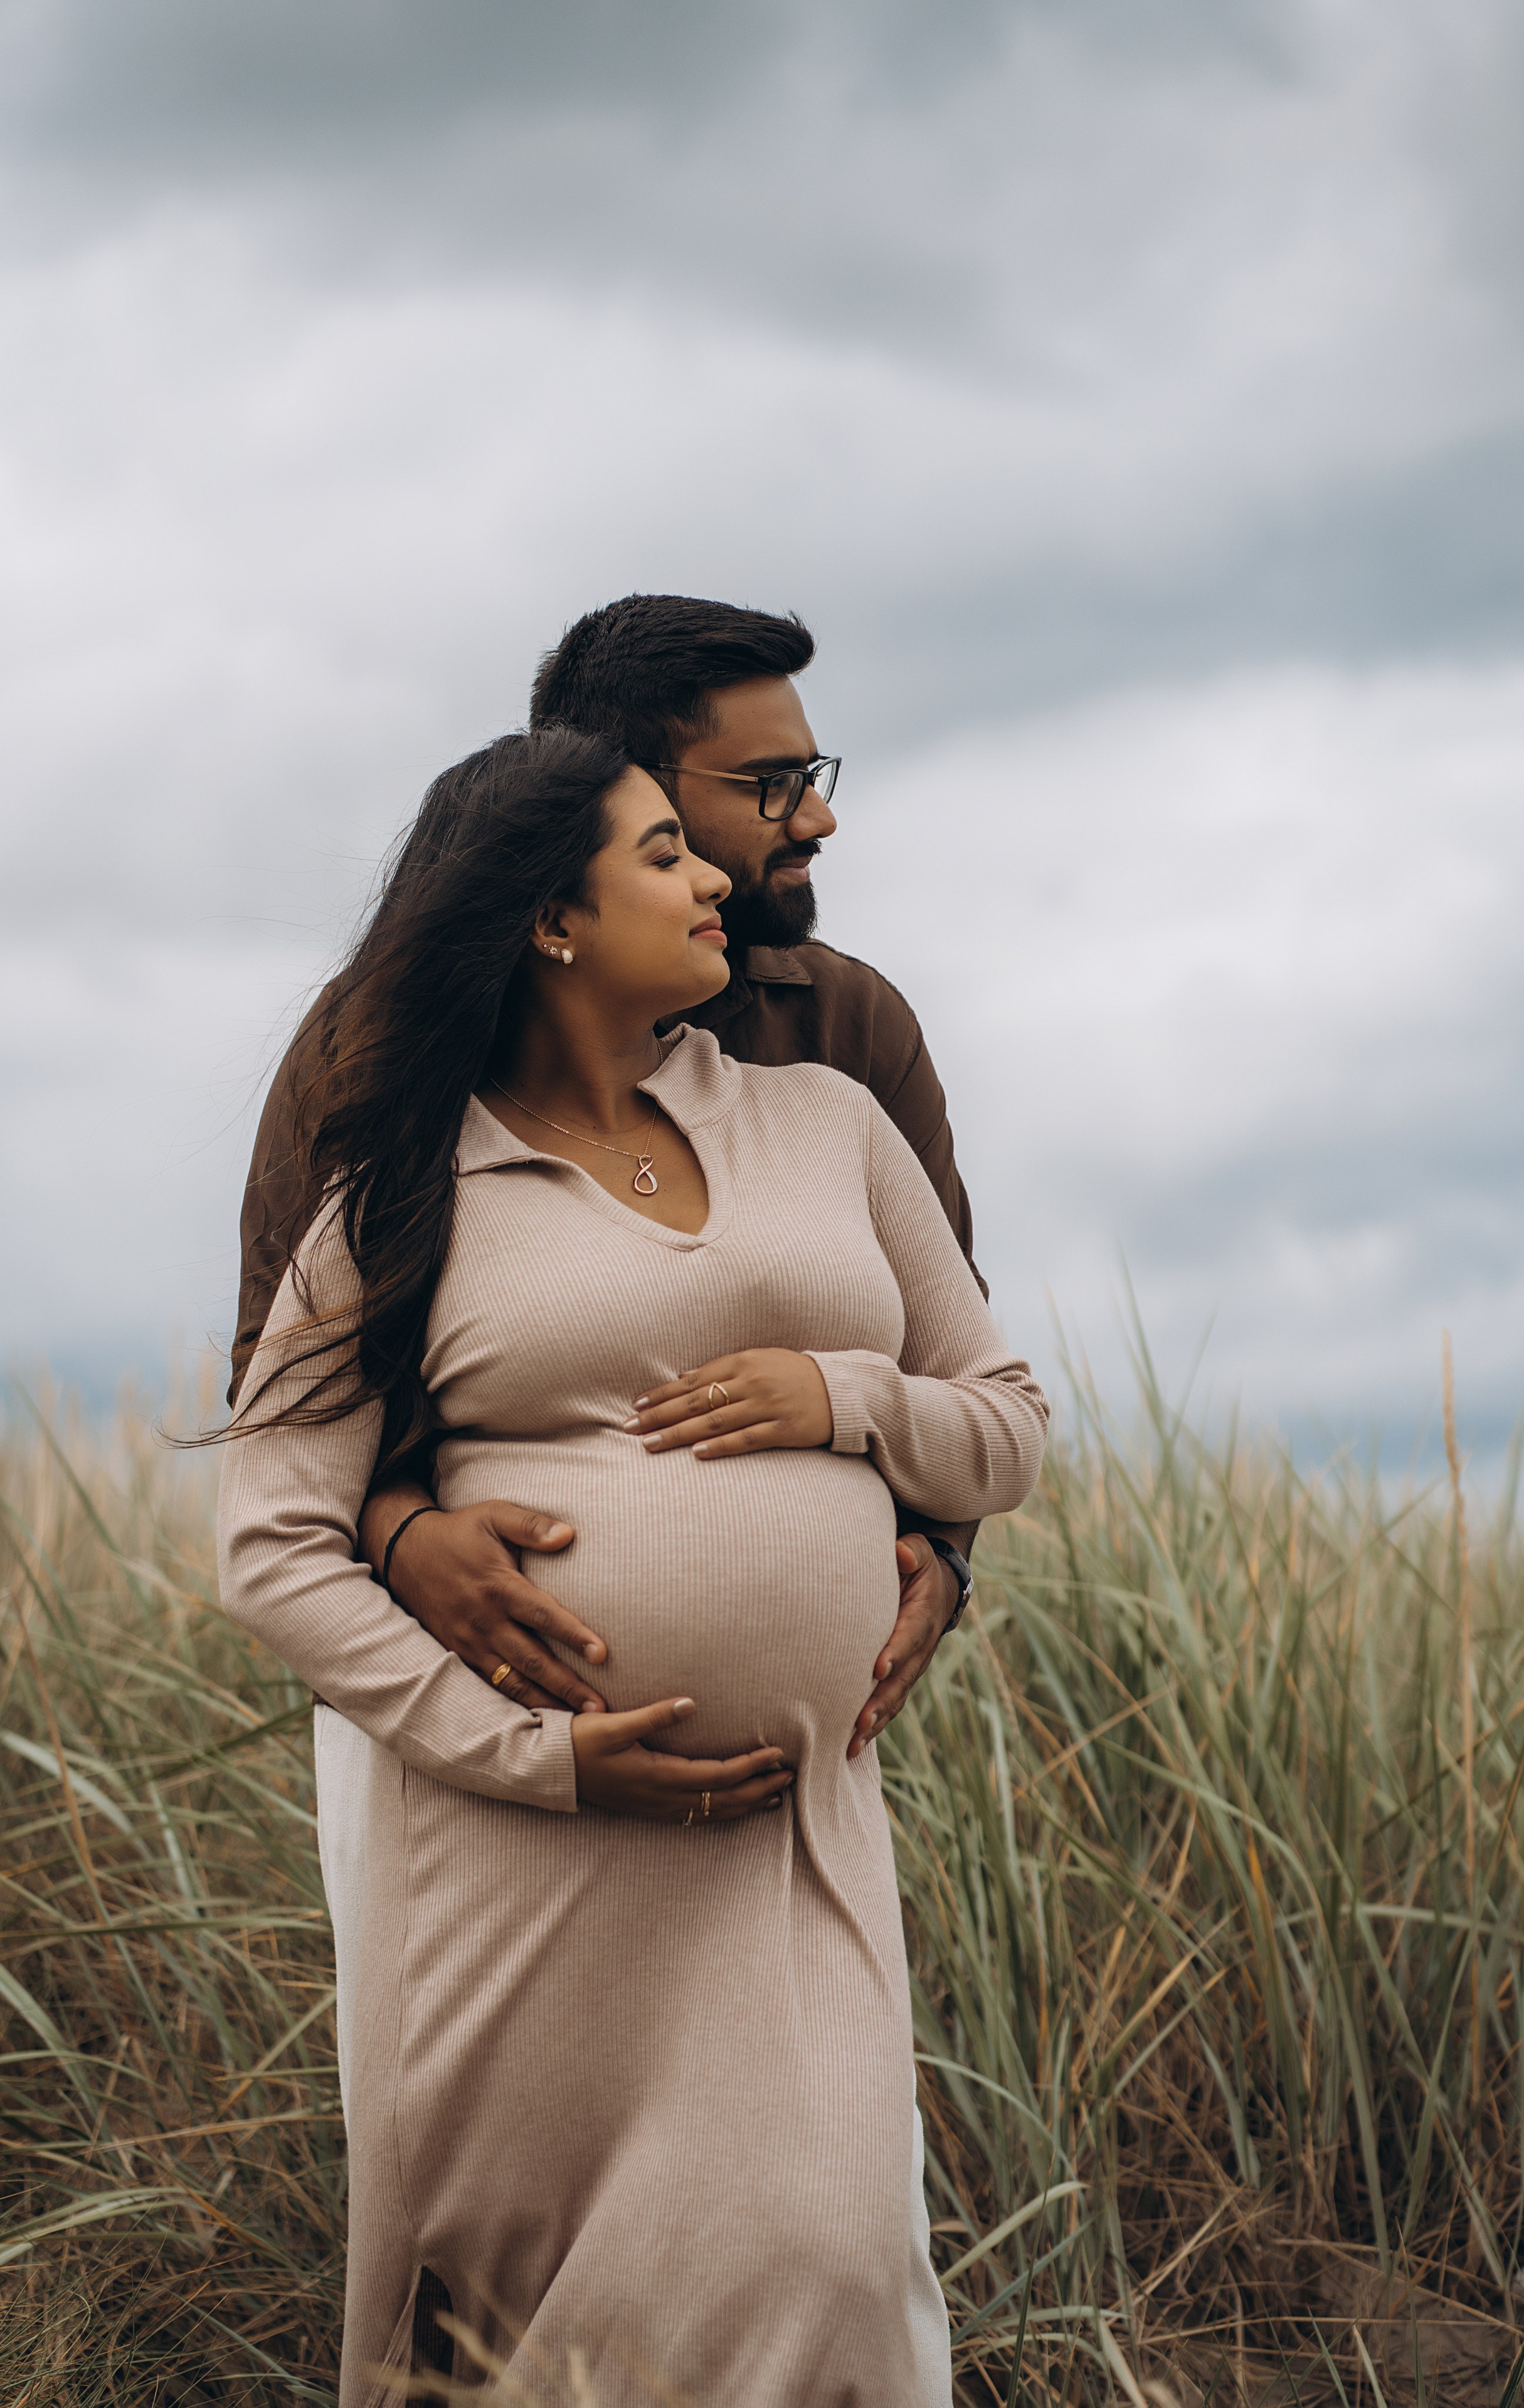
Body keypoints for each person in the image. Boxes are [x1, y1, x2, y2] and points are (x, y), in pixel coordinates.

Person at [216, 724, 1047, 2404]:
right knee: (525, 2327)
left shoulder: (824, 1121)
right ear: (551, 922)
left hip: (790, 1834)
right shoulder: (395, 1185)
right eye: (663, 851)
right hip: (529, 1857)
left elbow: (1009, 1423)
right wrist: (532, 1757)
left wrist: (843, 1397)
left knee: (825, 2262)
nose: (714, 876)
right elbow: (271, 1547)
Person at [233, 598, 978, 1755]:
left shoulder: (849, 1035)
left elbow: (955, 1362)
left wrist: (940, 1557)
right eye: (772, 784)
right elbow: (280, 1386)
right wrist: (396, 1535)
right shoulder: (380, 1044)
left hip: (809, 1758)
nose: (817, 816)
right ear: (614, 790)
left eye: (814, 773)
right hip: (459, 1715)